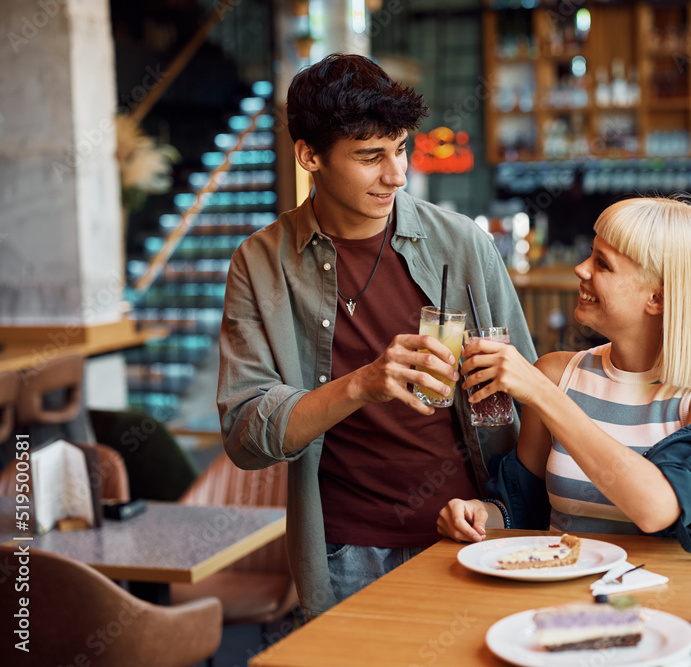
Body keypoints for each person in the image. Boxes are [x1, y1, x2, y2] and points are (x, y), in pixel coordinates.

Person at [217, 53, 535, 618]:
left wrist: (502, 512)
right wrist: (362, 384)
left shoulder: (462, 244)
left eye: (401, 148)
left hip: (470, 537)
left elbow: (533, 404)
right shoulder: (262, 263)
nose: (397, 174)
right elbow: (245, 435)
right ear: (309, 156)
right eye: (370, 157)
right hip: (344, 551)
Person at [438, 196, 691, 559]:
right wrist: (480, 514)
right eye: (590, 253)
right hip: (564, 595)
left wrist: (543, 395)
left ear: (657, 297)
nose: (581, 269)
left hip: (671, 601)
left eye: (602, 264)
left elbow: (659, 507)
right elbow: (522, 510)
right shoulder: (557, 373)